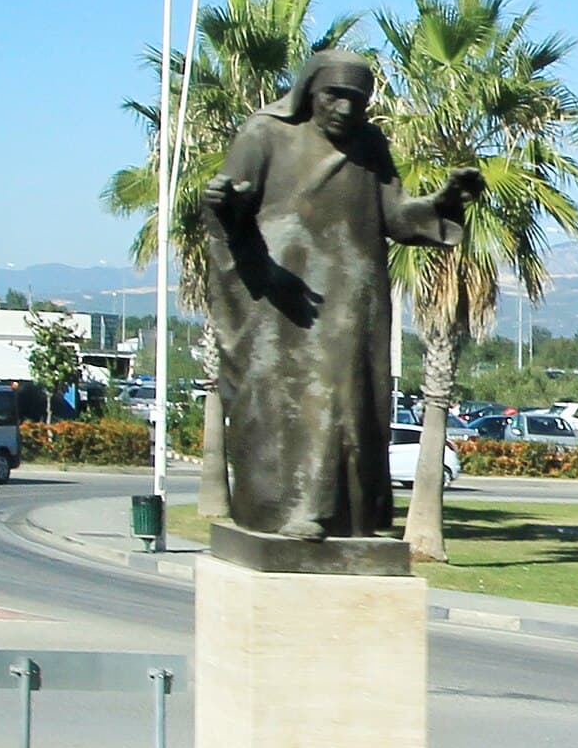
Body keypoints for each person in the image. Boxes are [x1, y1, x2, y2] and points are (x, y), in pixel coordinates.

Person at [202, 50, 483, 539]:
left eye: (357, 99)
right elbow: (235, 205)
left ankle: (350, 517)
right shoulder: (264, 133)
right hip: (286, 293)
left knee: (352, 398)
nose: (345, 110)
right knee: (302, 398)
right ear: (310, 89)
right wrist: (225, 204)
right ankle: (296, 507)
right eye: (334, 95)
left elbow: (395, 216)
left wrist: (446, 200)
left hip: (353, 294)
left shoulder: (370, 145)